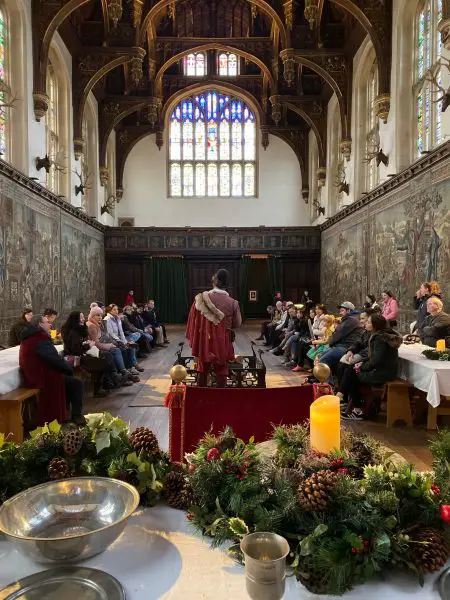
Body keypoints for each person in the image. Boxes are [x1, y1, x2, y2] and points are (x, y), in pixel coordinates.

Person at [19, 314, 85, 426]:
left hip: (32, 375)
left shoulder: (29, 337)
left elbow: (51, 358)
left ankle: (66, 413)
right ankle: (76, 415)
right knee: (76, 383)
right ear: (40, 324)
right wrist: (68, 369)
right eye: (47, 322)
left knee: (68, 380)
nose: (50, 325)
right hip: (41, 378)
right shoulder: (39, 338)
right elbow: (53, 358)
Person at [186, 268, 242, 387]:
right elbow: (237, 323)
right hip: (223, 341)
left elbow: (192, 321)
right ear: (227, 284)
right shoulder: (233, 303)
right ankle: (220, 398)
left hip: (204, 341)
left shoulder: (201, 299)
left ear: (214, 281)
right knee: (222, 369)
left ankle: (201, 396)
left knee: (202, 369)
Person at [341, 314, 402, 421]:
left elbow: (376, 360)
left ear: (375, 326)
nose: (366, 324)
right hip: (384, 370)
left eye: (369, 322)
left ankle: (355, 409)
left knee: (352, 373)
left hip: (382, 373)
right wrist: (362, 364)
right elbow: (373, 357)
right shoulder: (381, 335)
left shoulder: (379, 338)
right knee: (351, 371)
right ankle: (350, 404)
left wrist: (362, 367)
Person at [61, 311, 119, 397]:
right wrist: (88, 345)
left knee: (107, 356)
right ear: (75, 319)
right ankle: (108, 381)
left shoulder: (81, 329)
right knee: (103, 360)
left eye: (82, 317)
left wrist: (87, 343)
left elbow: (81, 344)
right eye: (80, 318)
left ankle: (109, 380)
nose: (83, 319)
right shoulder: (73, 332)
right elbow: (75, 350)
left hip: (84, 354)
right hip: (77, 358)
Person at [86, 307, 133, 386]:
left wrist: (116, 342)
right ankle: (122, 374)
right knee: (115, 351)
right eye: (98, 315)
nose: (100, 317)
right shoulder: (92, 326)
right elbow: (97, 344)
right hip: (93, 350)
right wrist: (109, 345)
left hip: (100, 346)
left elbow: (106, 337)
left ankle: (123, 374)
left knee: (124, 348)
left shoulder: (96, 324)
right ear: (92, 316)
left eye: (101, 315)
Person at [319, 302, 363, 373]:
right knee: (320, 356)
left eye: (342, 310)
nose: (340, 313)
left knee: (322, 360)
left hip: (347, 347)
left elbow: (337, 335)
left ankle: (327, 383)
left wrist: (330, 343)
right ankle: (325, 379)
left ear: (349, 310)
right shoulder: (348, 319)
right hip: (342, 345)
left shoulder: (351, 320)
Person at [104, 304, 144, 373]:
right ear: (109, 310)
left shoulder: (118, 318)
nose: (116, 311)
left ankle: (131, 367)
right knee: (124, 348)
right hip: (113, 340)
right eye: (114, 309)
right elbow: (110, 334)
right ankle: (126, 369)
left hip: (119, 339)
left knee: (130, 346)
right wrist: (120, 341)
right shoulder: (107, 319)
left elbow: (121, 332)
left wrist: (125, 342)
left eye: (117, 309)